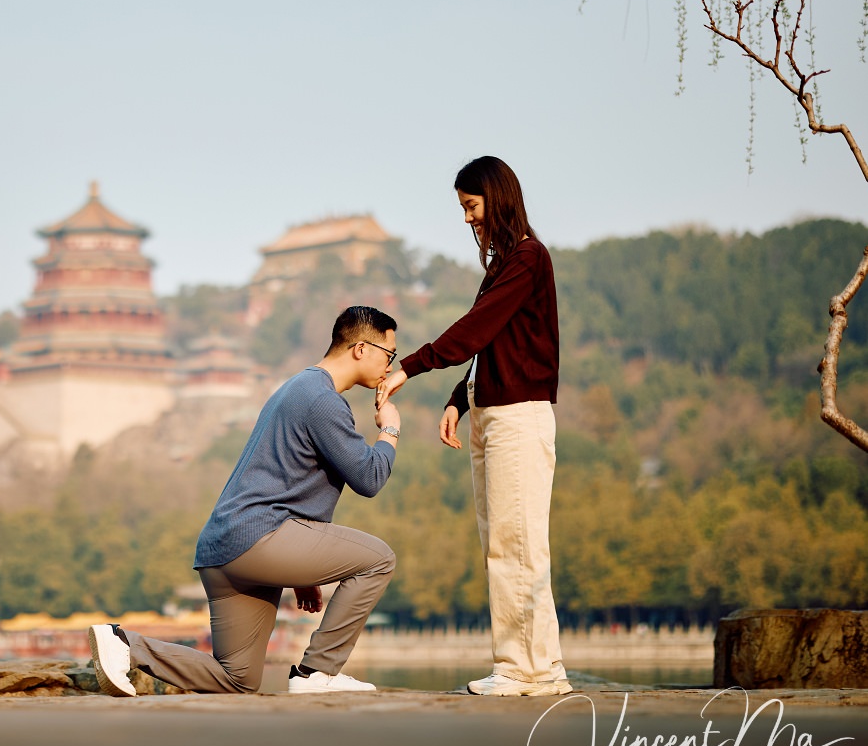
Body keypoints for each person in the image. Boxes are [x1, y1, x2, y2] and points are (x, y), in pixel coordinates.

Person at [88, 305, 402, 695]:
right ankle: (316, 673)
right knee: (378, 560)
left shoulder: (294, 388)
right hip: (261, 539)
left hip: (225, 548)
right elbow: (369, 478)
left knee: (236, 679)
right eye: (389, 354)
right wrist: (390, 429)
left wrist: (299, 572)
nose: (391, 364)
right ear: (360, 349)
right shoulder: (323, 400)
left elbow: (286, 479)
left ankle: (124, 645)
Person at [375, 155, 572, 697]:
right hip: (492, 414)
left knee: (519, 543)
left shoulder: (528, 258)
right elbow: (495, 346)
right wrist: (459, 399)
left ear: (496, 198)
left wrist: (409, 367)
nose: (466, 218)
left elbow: (478, 328)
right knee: (503, 545)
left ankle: (524, 670)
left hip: (518, 419)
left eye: (471, 206)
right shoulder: (506, 264)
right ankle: (537, 668)